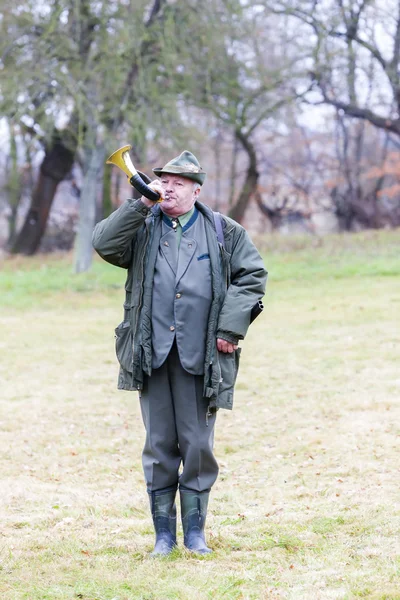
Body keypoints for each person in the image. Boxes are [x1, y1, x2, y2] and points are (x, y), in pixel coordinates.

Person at [92, 150, 267, 556]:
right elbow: (103, 244)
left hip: (201, 355)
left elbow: (252, 277)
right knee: (159, 446)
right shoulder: (143, 223)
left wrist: (230, 327)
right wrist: (140, 204)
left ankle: (195, 534)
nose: (168, 188)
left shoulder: (225, 231)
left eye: (178, 183)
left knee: (197, 446)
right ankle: (163, 537)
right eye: (163, 181)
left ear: (196, 190)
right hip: (151, 352)